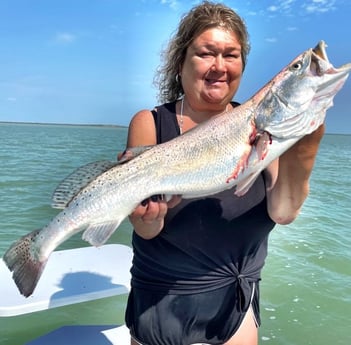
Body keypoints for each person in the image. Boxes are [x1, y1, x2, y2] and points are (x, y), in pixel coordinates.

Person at [121, 2, 325, 344]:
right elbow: (147, 229)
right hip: (160, 303)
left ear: (243, 64)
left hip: (235, 303)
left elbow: (283, 211)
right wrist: (145, 219)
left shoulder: (260, 127)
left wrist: (305, 144)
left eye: (231, 55)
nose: (219, 66)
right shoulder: (151, 124)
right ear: (180, 62)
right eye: (206, 53)